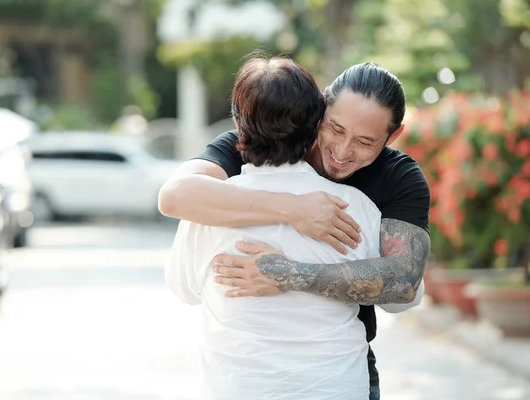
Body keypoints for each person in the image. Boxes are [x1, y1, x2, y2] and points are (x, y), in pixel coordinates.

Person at [159, 61, 431, 400]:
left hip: (250, 384)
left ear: (393, 136)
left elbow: (403, 284)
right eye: (335, 128)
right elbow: (173, 196)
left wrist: (288, 274)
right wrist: (293, 209)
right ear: (321, 106)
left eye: (365, 141)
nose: (343, 152)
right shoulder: (248, 145)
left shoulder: (397, 179)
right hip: (334, 383)